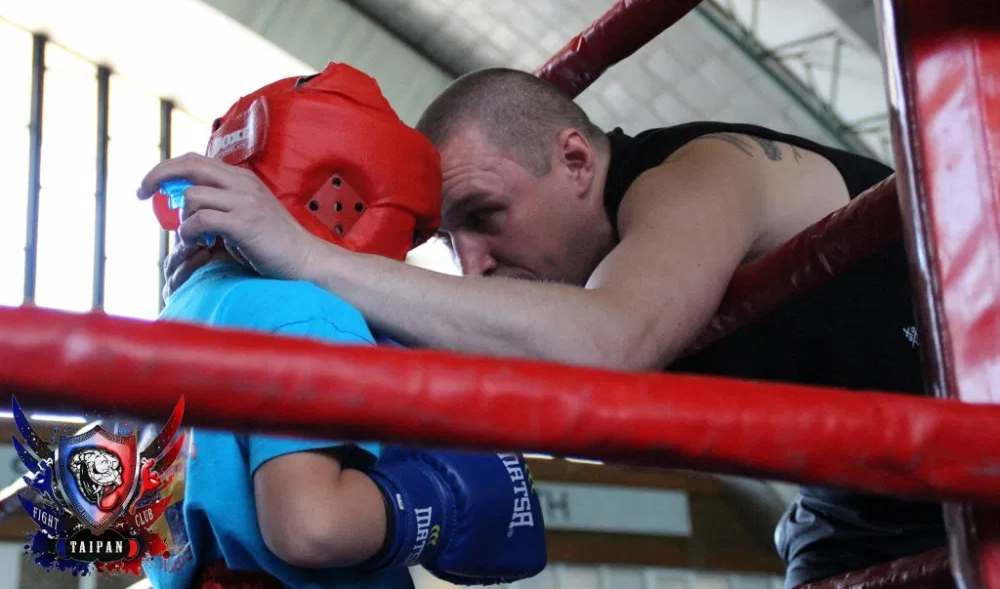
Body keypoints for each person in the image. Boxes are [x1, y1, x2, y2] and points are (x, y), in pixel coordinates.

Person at [139, 66, 946, 588]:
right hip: (866, 501)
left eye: (486, 217)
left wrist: (305, 256)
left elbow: (608, 344)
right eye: (450, 241)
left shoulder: (704, 174)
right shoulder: (553, 288)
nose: (474, 263)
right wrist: (223, 281)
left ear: (575, 159)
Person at [141, 63, 546, 589]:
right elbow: (311, 528)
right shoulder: (308, 313)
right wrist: (436, 502)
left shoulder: (172, 321)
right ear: (347, 198)